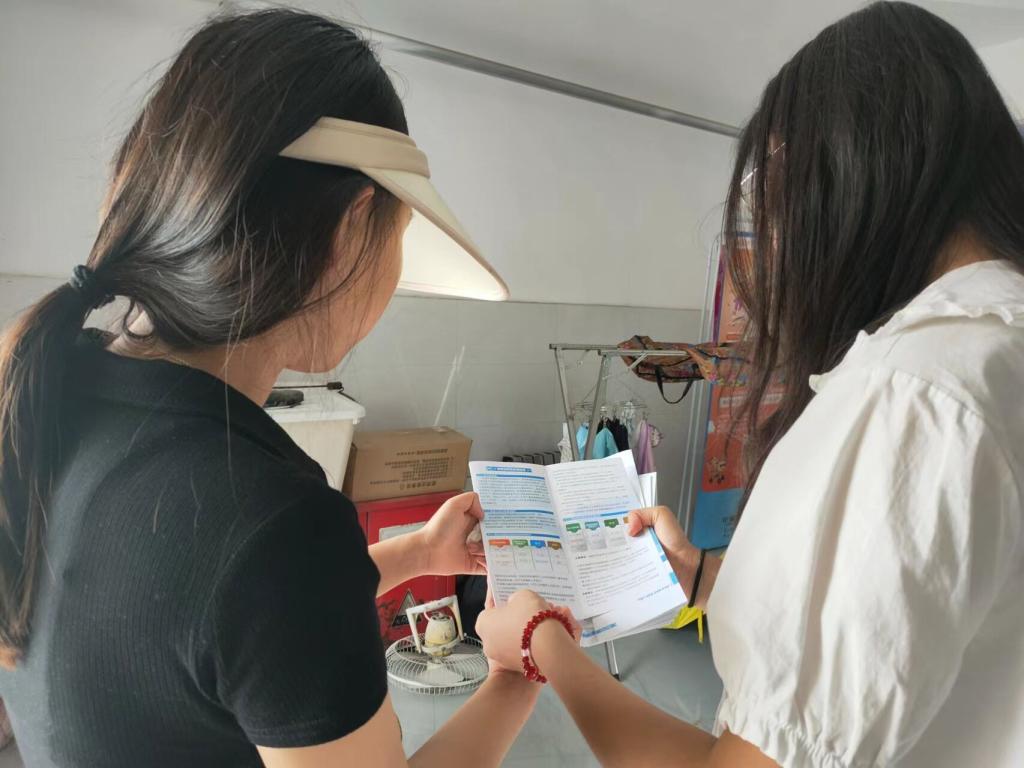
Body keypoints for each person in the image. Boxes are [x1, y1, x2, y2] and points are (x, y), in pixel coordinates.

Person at [478, 3, 1024, 766]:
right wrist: (704, 577)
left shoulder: (915, 394)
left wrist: (542, 645)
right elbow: (919, 616)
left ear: (846, 176)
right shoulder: (995, 346)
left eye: (775, 190)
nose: (773, 232)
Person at [0, 9, 542, 768]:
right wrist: (515, 674)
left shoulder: (53, 392)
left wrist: (421, 552)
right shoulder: (276, 518)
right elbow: (262, 583)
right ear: (351, 230)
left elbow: (233, 619)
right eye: (395, 239)